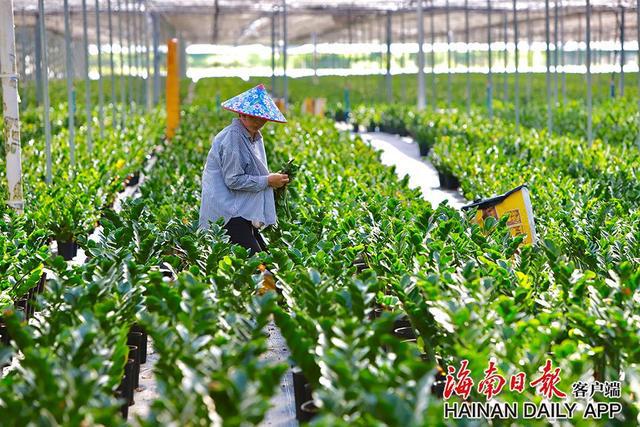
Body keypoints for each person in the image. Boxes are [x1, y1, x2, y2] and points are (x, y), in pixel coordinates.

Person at [198, 84, 289, 255]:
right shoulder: (233, 138)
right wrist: (268, 180)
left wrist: (274, 180)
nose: (258, 122)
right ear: (241, 114)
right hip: (226, 213)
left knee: (265, 259)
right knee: (259, 262)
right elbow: (233, 180)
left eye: (261, 118)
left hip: (240, 209)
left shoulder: (254, 136)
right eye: (252, 117)